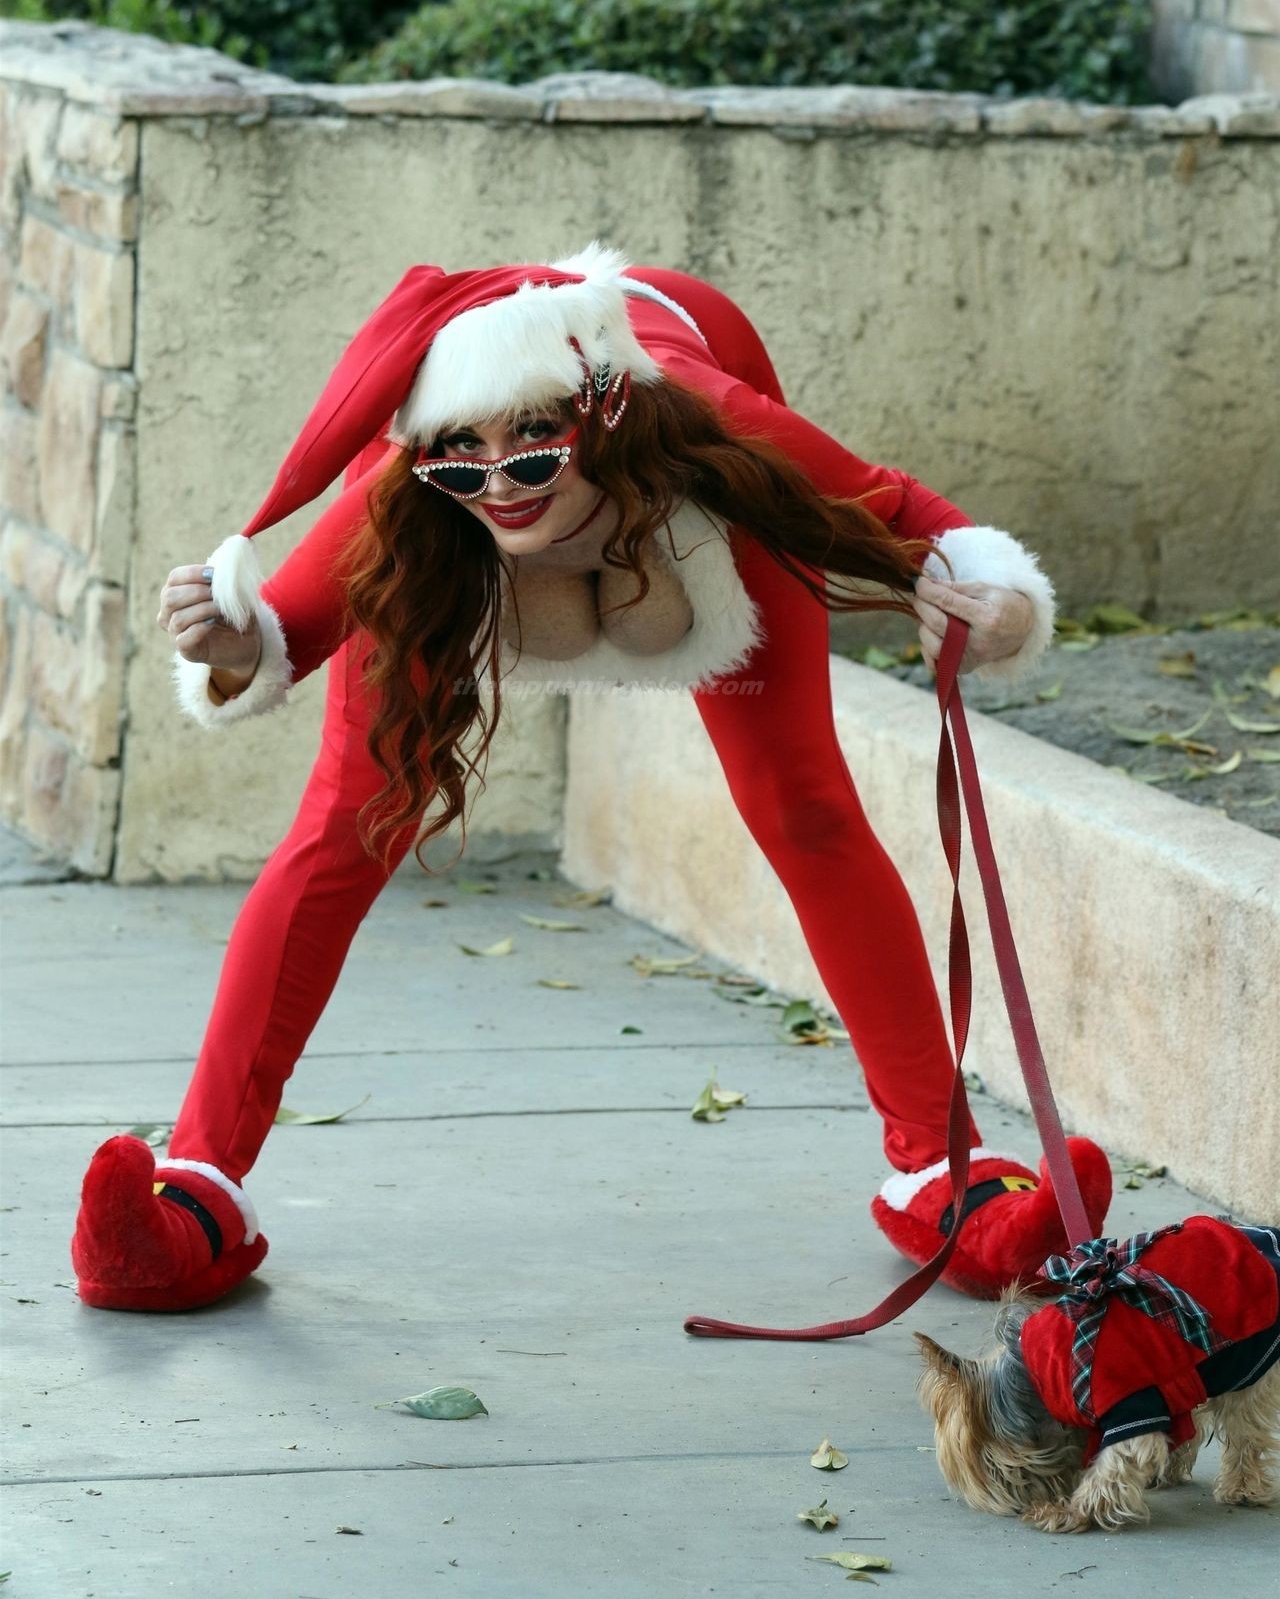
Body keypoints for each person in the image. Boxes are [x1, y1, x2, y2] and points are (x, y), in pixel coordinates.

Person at [71, 243, 1110, 1314]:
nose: (497, 481)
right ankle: (196, 1188)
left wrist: (994, 607)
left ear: (599, 415)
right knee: (351, 820)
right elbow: (277, 636)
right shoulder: (412, 493)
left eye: (533, 445)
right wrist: (226, 643)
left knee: (801, 802)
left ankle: (941, 1169)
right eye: (461, 454)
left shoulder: (702, 419)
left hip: (681, 503)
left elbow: (915, 519)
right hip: (452, 549)